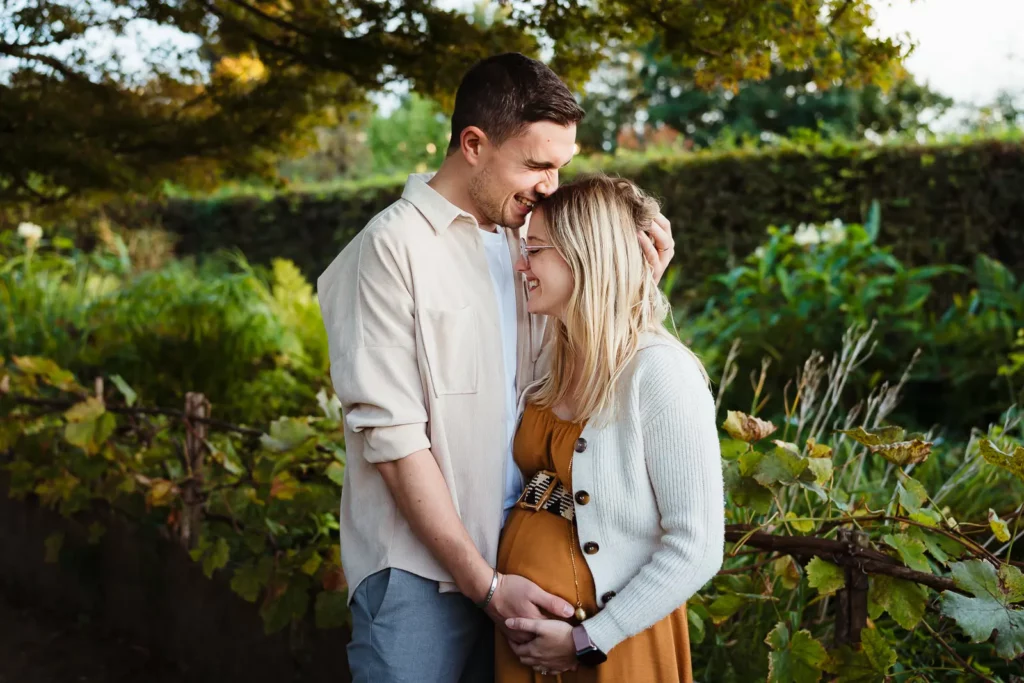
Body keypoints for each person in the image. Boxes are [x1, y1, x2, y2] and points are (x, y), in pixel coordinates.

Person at [316, 54, 675, 683]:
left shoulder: (532, 241)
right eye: (536, 165)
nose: (550, 185)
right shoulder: (389, 249)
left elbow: (594, 360)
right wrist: (484, 586)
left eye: (559, 167)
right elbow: (396, 442)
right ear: (474, 144)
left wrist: (638, 279)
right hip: (421, 577)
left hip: (533, 571)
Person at [496, 174, 725, 682]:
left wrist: (586, 642)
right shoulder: (553, 359)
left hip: (607, 647)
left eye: (534, 250)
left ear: (585, 255)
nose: (520, 264)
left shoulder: (660, 373)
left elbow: (698, 545)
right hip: (529, 645)